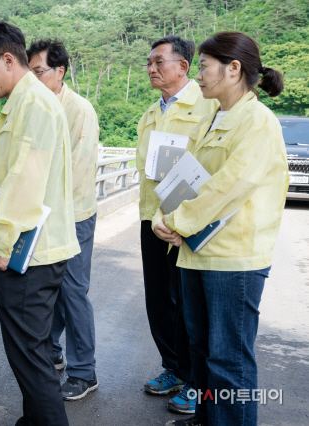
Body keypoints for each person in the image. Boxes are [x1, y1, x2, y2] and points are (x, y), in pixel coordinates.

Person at [155, 31, 287, 426]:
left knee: (229, 358)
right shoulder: (213, 116)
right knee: (201, 351)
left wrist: (177, 221)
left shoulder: (258, 121)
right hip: (197, 251)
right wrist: (167, 217)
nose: (198, 75)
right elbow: (189, 175)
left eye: (203, 66)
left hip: (234, 259)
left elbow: (229, 185)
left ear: (233, 69)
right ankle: (209, 420)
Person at [0, 21, 80, 426]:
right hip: (29, 248)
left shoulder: (33, 105)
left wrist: (1, 242)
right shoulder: (24, 102)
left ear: (7, 59)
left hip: (31, 252)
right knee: (31, 351)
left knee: (31, 357)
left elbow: (25, 181)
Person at [136, 35, 219, 415]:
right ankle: (172, 368)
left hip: (185, 222)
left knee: (189, 304)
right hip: (152, 219)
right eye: (149, 63)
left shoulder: (207, 105)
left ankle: (194, 380)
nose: (151, 68)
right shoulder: (151, 113)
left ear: (183, 67)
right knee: (158, 300)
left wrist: (185, 219)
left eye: (158, 62)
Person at [27, 39, 100, 401]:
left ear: (60, 71)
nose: (34, 78)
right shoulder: (36, 106)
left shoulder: (79, 111)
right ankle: (53, 352)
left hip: (72, 215)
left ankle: (85, 371)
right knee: (51, 288)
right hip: (44, 214)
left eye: (39, 71)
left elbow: (76, 171)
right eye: (30, 72)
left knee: (72, 291)